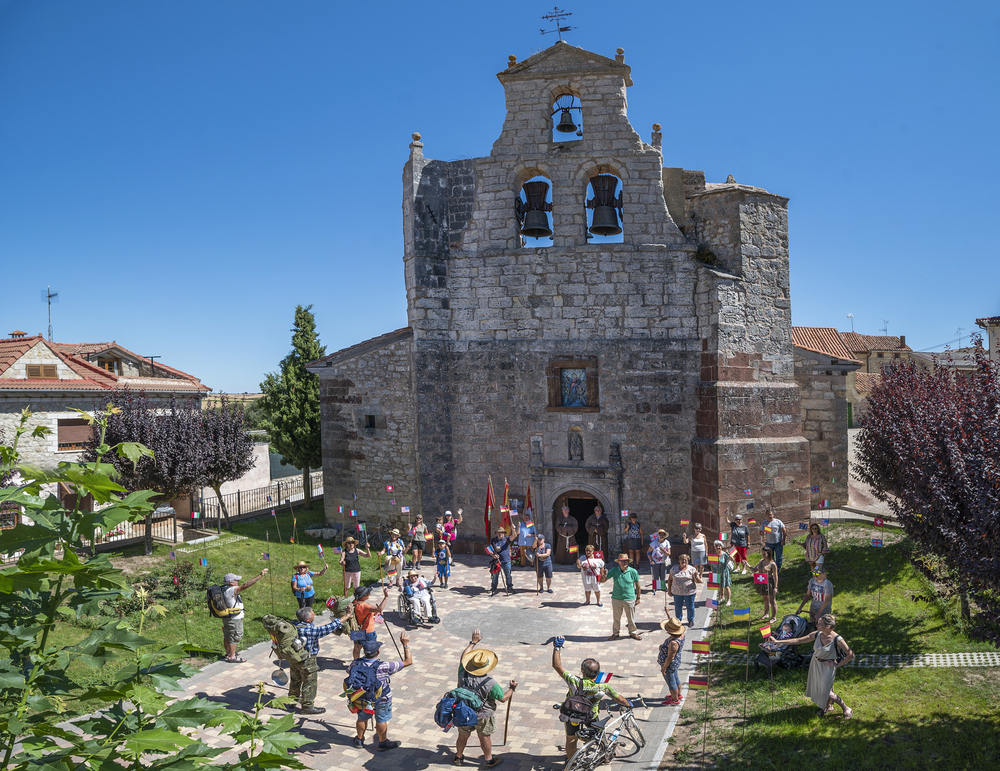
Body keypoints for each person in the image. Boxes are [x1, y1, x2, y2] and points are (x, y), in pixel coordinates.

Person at [550, 636, 630, 762]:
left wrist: (557, 647)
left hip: (573, 714)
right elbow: (618, 698)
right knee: (599, 735)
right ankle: (605, 756)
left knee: (571, 739)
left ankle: (573, 763)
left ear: (582, 671)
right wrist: (627, 704)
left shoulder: (575, 681)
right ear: (598, 672)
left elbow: (557, 665)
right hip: (591, 714)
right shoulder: (604, 686)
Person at [768, 613, 854, 718]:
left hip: (828, 666)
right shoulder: (817, 634)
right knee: (825, 688)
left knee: (826, 691)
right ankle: (828, 706)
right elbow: (798, 640)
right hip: (815, 664)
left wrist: (838, 664)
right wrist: (778, 641)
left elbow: (851, 655)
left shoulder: (837, 639)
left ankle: (846, 708)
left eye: (820, 624)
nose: (817, 626)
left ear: (828, 627)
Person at [452, 628, 517, 768]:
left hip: (463, 711)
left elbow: (463, 656)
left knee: (462, 736)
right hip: (483, 715)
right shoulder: (490, 683)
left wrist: (473, 642)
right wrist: (511, 689)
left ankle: (458, 757)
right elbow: (503, 698)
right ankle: (488, 760)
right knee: (484, 737)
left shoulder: (463, 672)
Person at [347, 636, 413, 751]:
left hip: (361, 698)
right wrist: (405, 644)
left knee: (362, 718)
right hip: (382, 698)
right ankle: (383, 743)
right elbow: (408, 661)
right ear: (377, 652)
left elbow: (349, 673)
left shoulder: (355, 664)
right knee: (381, 719)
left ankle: (359, 740)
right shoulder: (385, 666)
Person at [290, 604, 354, 714]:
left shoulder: (295, 626)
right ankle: (307, 707)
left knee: (295, 680)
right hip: (308, 660)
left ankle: (291, 701)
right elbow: (331, 626)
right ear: (308, 619)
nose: (315, 614)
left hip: (295, 659)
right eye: (313, 613)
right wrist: (347, 615)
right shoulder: (310, 631)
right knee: (309, 682)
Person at [221, 569, 268, 663]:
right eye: (236, 580)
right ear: (231, 582)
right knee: (235, 636)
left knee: (227, 635)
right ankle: (232, 657)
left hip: (227, 616)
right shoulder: (231, 590)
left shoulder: (223, 588)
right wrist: (259, 575)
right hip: (234, 618)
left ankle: (228, 653)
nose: (238, 582)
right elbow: (246, 585)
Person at [602, 553, 641, 640]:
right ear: (618, 562)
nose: (624, 563)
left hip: (630, 598)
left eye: (626, 561)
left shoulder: (633, 571)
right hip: (616, 598)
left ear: (628, 561)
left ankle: (633, 632)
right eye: (622, 561)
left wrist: (638, 598)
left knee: (631, 618)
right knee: (616, 618)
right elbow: (602, 581)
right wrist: (604, 575)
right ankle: (615, 633)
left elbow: (638, 585)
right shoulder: (614, 571)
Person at [351, 584, 390, 660]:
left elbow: (363, 613)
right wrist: (386, 597)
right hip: (368, 632)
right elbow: (379, 609)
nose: (369, 594)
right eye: (368, 593)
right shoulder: (365, 606)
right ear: (363, 596)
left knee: (356, 647)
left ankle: (355, 662)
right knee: (371, 649)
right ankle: (370, 663)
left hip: (357, 630)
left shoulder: (354, 603)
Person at [658, 617, 686, 705]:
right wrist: (668, 613)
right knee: (676, 679)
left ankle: (674, 700)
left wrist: (664, 668)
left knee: (671, 683)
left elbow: (670, 657)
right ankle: (678, 694)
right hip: (676, 662)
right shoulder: (681, 635)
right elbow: (674, 622)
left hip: (669, 665)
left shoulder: (673, 643)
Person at [667, 554, 700, 627]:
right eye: (682, 559)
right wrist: (669, 590)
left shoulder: (692, 569)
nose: (683, 561)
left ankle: (691, 620)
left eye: (685, 560)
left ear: (688, 561)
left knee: (690, 607)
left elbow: (698, 581)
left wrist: (696, 576)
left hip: (689, 592)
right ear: (679, 560)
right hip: (677, 592)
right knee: (678, 607)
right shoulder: (674, 569)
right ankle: (678, 620)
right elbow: (670, 580)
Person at [753, 546, 779, 624]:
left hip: (770, 583)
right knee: (765, 599)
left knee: (772, 600)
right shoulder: (761, 561)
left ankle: (774, 617)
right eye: (762, 553)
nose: (763, 555)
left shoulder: (772, 564)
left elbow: (775, 576)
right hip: (762, 583)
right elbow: (754, 570)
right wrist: (747, 565)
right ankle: (766, 614)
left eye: (764, 554)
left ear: (768, 554)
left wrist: (775, 587)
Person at [488, 527, 514, 596]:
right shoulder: (493, 540)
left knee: (508, 575)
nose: (500, 534)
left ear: (504, 534)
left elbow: (514, 535)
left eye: (502, 533)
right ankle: (494, 588)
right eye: (499, 533)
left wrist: (514, 529)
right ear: (496, 533)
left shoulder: (507, 539)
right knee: (495, 575)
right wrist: (493, 555)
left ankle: (509, 587)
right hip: (496, 561)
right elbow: (489, 549)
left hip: (506, 561)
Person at [647, 529, 671, 596]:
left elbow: (669, 553)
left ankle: (663, 587)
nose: (661, 536)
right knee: (655, 575)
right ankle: (655, 587)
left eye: (663, 534)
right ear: (658, 535)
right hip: (655, 561)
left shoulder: (667, 542)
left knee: (663, 575)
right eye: (660, 534)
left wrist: (664, 551)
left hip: (664, 561)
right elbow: (648, 552)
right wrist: (651, 560)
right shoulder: (654, 543)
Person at [714, 539, 734, 606]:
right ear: (715, 547)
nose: (718, 547)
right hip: (717, 572)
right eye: (717, 546)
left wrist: (729, 554)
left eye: (719, 546)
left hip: (724, 572)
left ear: (721, 547)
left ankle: (728, 600)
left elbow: (732, 560)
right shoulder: (713, 555)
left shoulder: (725, 554)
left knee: (726, 586)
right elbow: (712, 565)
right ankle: (722, 597)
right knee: (720, 586)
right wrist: (713, 573)